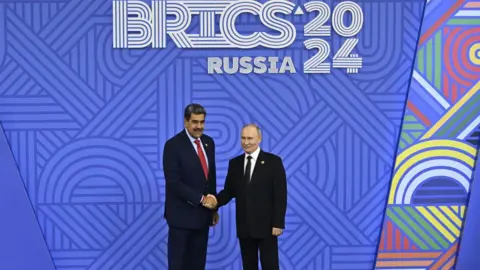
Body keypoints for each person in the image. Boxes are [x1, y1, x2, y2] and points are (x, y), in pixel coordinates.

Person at [204, 124, 287, 270]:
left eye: (250, 138)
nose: (246, 142)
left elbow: (280, 194)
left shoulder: (273, 162)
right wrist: (215, 201)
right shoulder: (234, 163)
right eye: (243, 138)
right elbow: (229, 191)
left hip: (267, 227)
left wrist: (278, 223)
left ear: (259, 139)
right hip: (244, 226)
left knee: (270, 265)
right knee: (248, 266)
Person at [162, 103, 219, 270]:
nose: (199, 126)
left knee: (197, 265)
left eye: (202, 122)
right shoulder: (172, 146)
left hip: (202, 217)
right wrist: (202, 199)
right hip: (181, 217)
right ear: (186, 122)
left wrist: (214, 208)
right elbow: (173, 182)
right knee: (178, 265)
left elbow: (210, 178)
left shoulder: (209, 143)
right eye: (195, 122)